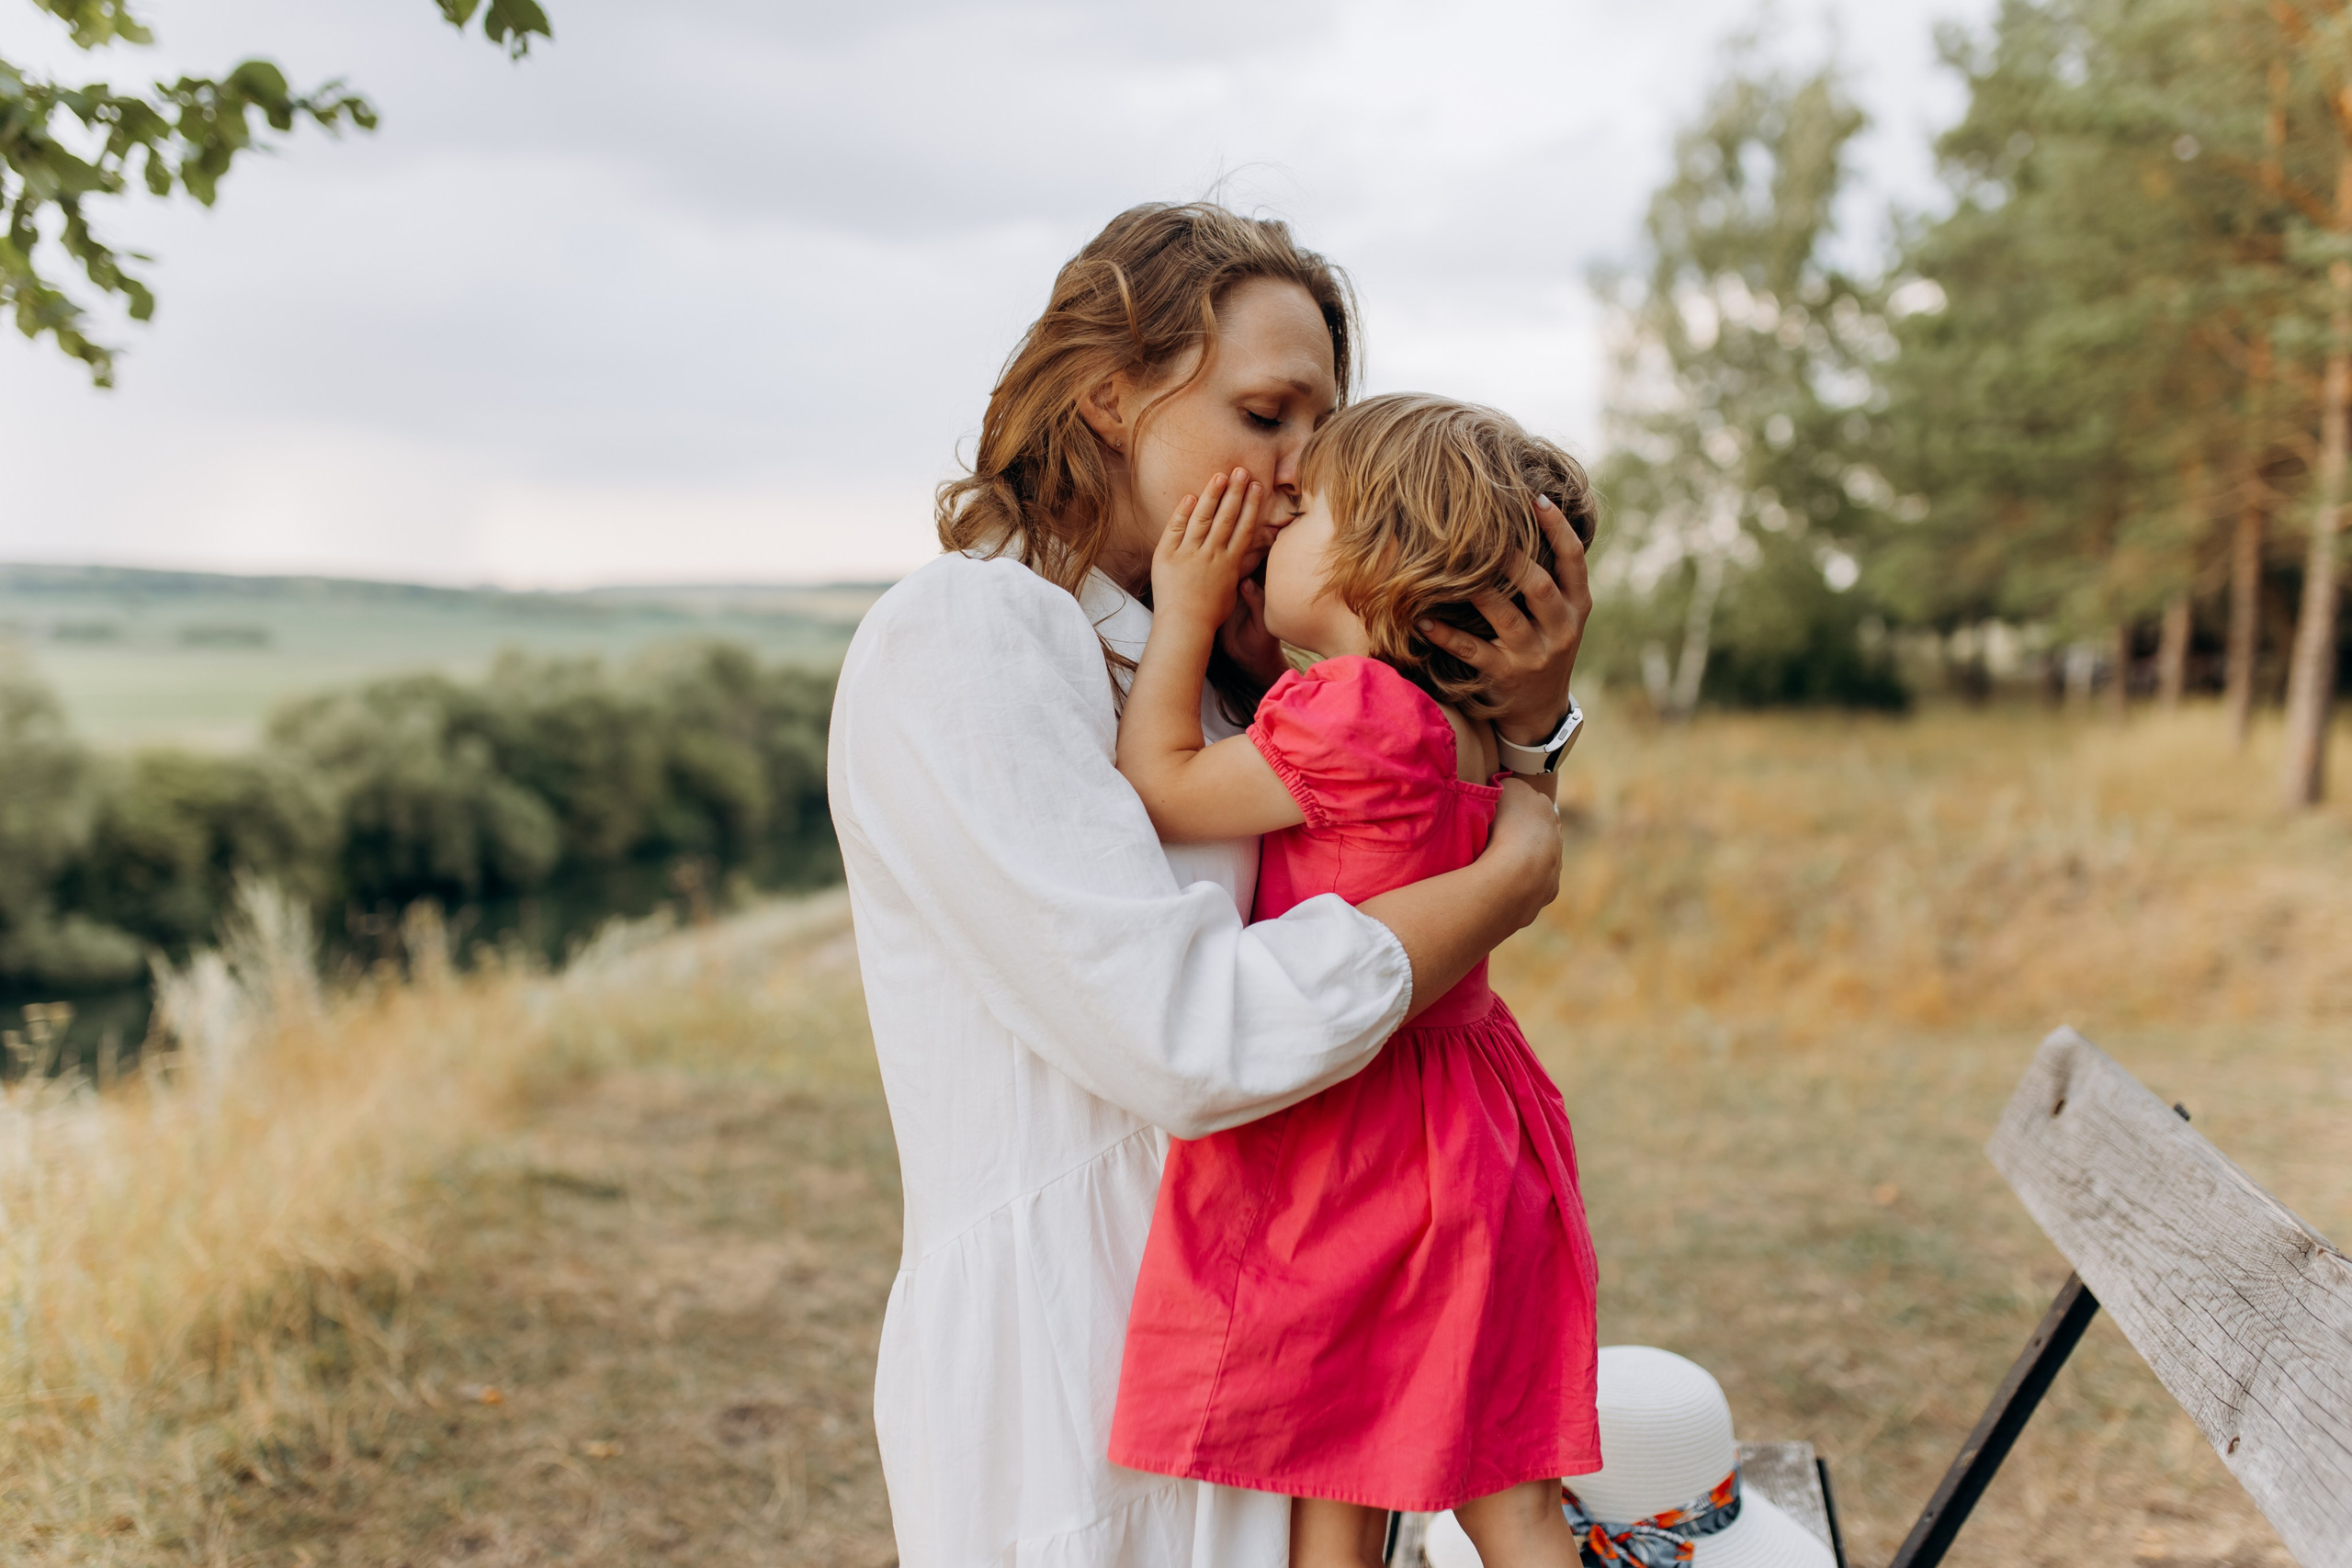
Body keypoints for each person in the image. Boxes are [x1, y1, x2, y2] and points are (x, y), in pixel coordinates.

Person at [827, 202, 1592, 1568]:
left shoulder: (1235, 672)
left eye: (1324, 429)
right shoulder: (969, 634)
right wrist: (1506, 879)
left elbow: (1388, 845)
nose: (1302, 474)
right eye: (1264, 415)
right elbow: (1182, 1037)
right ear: (1111, 395)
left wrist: (1528, 728)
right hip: (1083, 1349)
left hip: (1293, 1294)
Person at [1107, 394, 1602, 1568]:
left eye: (1301, 514)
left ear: (1375, 556)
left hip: (1359, 1133)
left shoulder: (1354, 709)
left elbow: (1161, 786)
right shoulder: (1467, 723)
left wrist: (1184, 610)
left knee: (1332, 1464)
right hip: (1477, 1120)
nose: (1270, 524)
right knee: (1496, 1493)